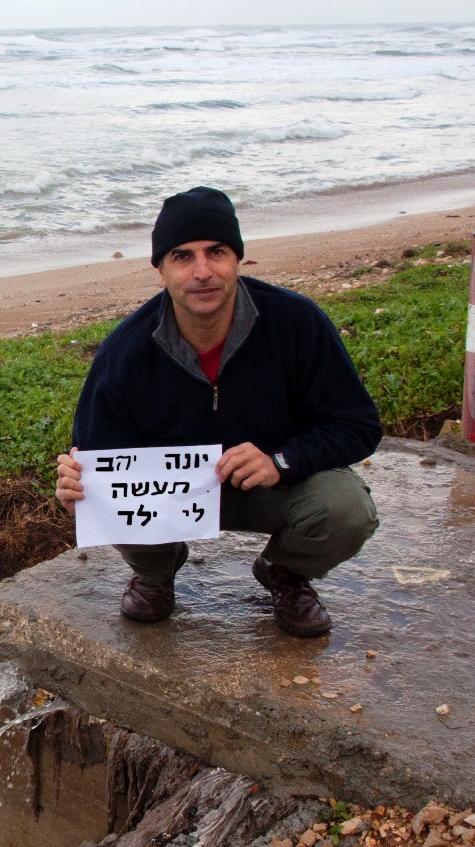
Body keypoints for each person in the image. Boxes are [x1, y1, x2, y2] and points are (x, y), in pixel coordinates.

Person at [53, 186, 381, 637]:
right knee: (99, 497)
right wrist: (75, 483)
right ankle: (156, 570)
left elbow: (359, 426)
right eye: (183, 256)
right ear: (160, 270)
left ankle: (284, 571)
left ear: (238, 260)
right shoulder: (123, 354)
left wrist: (280, 461)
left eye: (217, 252)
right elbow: (94, 457)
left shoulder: (298, 323)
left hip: (272, 486)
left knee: (347, 510)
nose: (202, 272)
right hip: (174, 497)